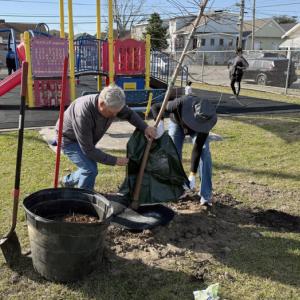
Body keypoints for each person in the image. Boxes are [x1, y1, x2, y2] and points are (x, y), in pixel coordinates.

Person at [57, 84, 156, 190]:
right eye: (112, 113)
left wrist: (145, 127)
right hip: (68, 139)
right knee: (90, 169)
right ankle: (84, 199)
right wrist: (115, 160)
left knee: (88, 168)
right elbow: (89, 150)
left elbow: (129, 114)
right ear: (102, 103)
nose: (115, 115)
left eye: (116, 113)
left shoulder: (112, 103)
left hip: (86, 139)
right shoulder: (83, 114)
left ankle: (66, 181)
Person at [152, 95, 217, 206]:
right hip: (177, 123)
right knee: (173, 152)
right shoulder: (178, 104)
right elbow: (155, 107)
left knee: (205, 152)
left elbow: (198, 148)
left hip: (198, 129)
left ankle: (206, 195)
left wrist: (192, 174)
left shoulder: (206, 119)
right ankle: (177, 188)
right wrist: (160, 125)